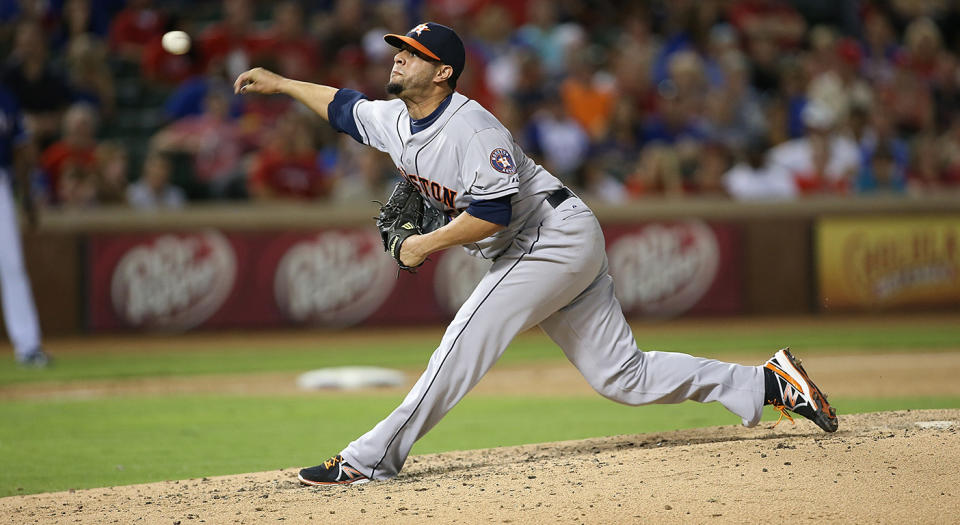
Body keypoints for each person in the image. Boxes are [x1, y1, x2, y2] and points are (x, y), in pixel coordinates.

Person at [234, 22, 838, 486]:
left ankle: (370, 460)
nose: (399, 55)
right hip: (538, 243)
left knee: (463, 338)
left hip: (551, 237)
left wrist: (422, 244)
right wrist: (284, 84)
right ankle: (771, 384)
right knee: (621, 377)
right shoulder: (394, 119)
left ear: (442, 73)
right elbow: (341, 106)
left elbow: (492, 213)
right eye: (399, 48)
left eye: (413, 53)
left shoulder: (474, 130)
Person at [0, 86, 48, 367]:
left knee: (12, 265)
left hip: (0, 183)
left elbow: (21, 149)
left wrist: (27, 198)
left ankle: (28, 345)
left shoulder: (6, 98)